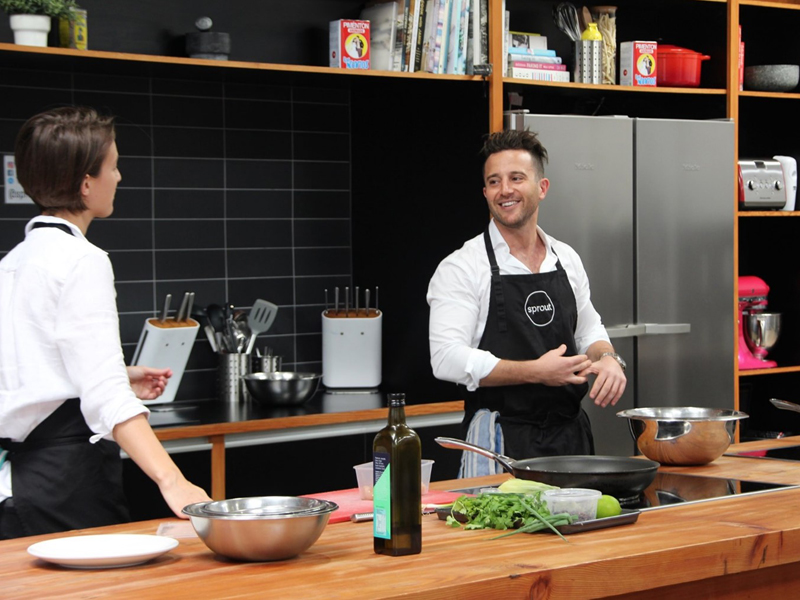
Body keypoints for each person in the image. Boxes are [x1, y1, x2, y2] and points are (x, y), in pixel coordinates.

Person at [0, 106, 211, 539]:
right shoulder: (83, 260)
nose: (119, 177)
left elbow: (24, 372)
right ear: (85, 183)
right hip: (66, 486)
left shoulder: (14, 262)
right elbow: (107, 399)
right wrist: (174, 482)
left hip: (17, 487)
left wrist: (120, 373)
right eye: (113, 167)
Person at [427, 129, 627, 474]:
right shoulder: (462, 266)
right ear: (486, 192)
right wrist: (535, 372)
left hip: (570, 439)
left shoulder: (565, 258)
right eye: (494, 181)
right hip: (500, 442)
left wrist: (607, 358)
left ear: (542, 188)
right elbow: (445, 359)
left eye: (516, 178)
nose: (505, 190)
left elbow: (589, 326)